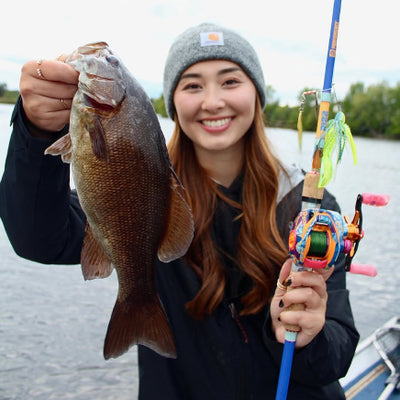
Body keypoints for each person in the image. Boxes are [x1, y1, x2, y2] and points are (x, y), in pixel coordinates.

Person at [0, 23, 359, 399]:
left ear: (257, 93)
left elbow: (337, 353)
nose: (212, 100)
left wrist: (309, 337)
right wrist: (34, 130)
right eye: (192, 85)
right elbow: (38, 238)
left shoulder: (309, 207)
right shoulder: (142, 187)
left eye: (230, 81)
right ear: (172, 102)